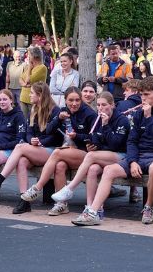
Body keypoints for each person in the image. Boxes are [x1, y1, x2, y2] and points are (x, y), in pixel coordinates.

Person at [72, 77, 153, 226]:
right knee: (109, 170)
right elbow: (132, 141)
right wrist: (132, 161)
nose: (143, 98)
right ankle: (93, 211)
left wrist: (149, 118)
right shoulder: (139, 113)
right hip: (140, 155)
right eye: (141, 94)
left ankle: (148, 207)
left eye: (147, 94)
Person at [0, 83, 61, 213]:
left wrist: (40, 142)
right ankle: (25, 201)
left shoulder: (55, 110)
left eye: (32, 93)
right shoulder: (33, 110)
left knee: (20, 147)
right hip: (36, 149)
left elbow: (56, 137)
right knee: (21, 161)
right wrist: (31, 140)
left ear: (40, 95)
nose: (29, 95)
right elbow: (28, 133)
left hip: (51, 150)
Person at [19, 86, 97, 216]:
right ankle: (62, 204)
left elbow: (95, 138)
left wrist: (77, 136)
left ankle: (37, 188)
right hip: (70, 151)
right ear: (65, 100)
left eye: (77, 100)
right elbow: (48, 130)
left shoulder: (89, 114)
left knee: (56, 153)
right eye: (71, 100)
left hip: (86, 154)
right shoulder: (63, 111)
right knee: (60, 166)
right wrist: (58, 119)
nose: (74, 103)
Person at [51, 92, 130, 217]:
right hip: (104, 154)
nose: (100, 108)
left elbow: (116, 144)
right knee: (92, 169)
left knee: (90, 156)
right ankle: (90, 207)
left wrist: (105, 126)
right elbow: (95, 139)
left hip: (121, 156)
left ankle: (70, 188)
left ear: (112, 105)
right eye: (98, 105)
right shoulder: (98, 119)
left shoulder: (122, 120)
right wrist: (92, 144)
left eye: (104, 105)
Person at [19, 46, 47, 118]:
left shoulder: (42, 68)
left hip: (34, 100)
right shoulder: (30, 66)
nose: (28, 57)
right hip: (23, 98)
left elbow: (28, 80)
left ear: (34, 56)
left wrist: (29, 68)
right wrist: (25, 84)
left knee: (33, 121)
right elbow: (20, 79)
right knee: (24, 121)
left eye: (29, 55)